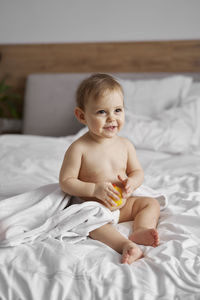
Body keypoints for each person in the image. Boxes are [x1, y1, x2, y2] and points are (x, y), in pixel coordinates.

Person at [59, 73, 160, 264]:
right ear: (82, 116)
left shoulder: (125, 145)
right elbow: (66, 182)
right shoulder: (79, 148)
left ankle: (140, 230)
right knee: (91, 224)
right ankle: (125, 245)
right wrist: (94, 189)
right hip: (96, 208)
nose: (111, 118)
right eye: (101, 112)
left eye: (118, 110)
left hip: (123, 205)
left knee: (150, 204)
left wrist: (133, 182)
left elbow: (137, 172)